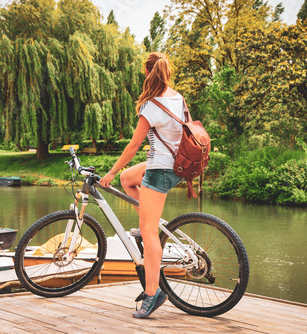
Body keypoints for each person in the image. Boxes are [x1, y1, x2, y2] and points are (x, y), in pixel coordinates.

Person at [99, 52, 185, 318]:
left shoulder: (151, 106)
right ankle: (147, 221)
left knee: (149, 235)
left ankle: (152, 293)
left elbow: (135, 145)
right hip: (175, 163)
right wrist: (121, 174)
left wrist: (111, 171)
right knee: (128, 179)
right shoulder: (177, 97)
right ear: (166, 73)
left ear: (147, 73)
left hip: (160, 170)